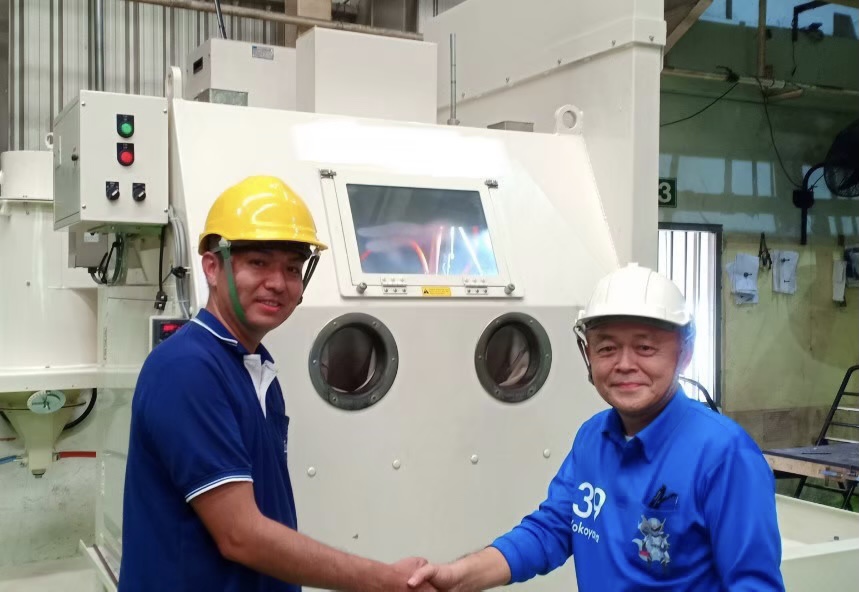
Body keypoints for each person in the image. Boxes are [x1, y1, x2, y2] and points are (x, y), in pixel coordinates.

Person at [119, 176, 435, 592]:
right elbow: (240, 535)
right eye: (258, 263)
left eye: (292, 268)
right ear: (212, 267)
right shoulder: (186, 369)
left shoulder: (255, 367)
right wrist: (385, 581)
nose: (278, 283)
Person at [407, 263, 785, 591]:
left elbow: (753, 585)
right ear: (587, 354)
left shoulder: (724, 455)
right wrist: (457, 577)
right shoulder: (593, 438)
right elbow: (551, 530)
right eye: (606, 348)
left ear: (683, 354)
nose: (624, 364)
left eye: (645, 348)